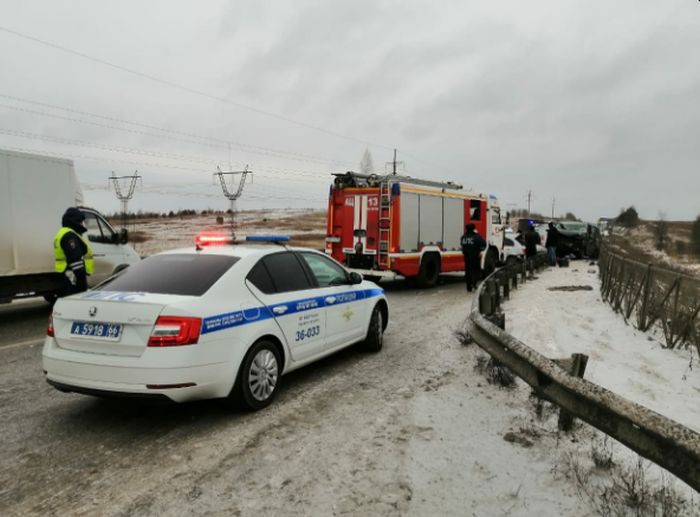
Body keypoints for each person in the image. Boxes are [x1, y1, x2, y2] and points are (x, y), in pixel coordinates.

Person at [54, 207, 94, 296]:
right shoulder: (69, 236)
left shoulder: (63, 232)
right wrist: (81, 282)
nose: (82, 224)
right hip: (73, 277)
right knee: (75, 302)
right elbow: (75, 259)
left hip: (66, 274)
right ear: (75, 221)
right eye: (80, 221)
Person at [460, 223, 486, 292]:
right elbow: (484, 243)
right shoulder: (476, 237)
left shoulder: (463, 237)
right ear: (473, 229)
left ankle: (468, 286)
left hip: (467, 257)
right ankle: (474, 284)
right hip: (475, 257)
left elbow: (462, 245)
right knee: (476, 271)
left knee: (468, 271)